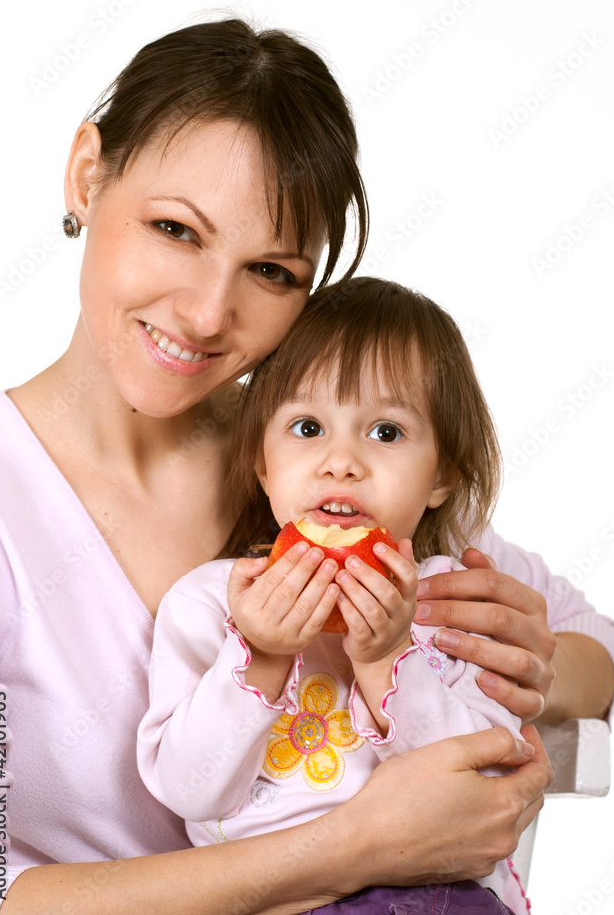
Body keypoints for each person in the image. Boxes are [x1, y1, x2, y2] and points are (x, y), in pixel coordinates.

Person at [0, 18, 614, 915]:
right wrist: (354, 847)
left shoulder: (319, 460)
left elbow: (592, 650)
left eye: (272, 273)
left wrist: (528, 664)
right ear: (87, 175)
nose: (207, 313)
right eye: (174, 229)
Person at [137, 277, 546, 914]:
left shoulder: (449, 603)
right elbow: (190, 790)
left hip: (435, 892)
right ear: (263, 462)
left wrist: (387, 660)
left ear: (441, 475)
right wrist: (261, 656)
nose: (341, 461)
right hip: (273, 897)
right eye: (307, 427)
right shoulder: (214, 603)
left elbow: (490, 783)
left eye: (386, 432)